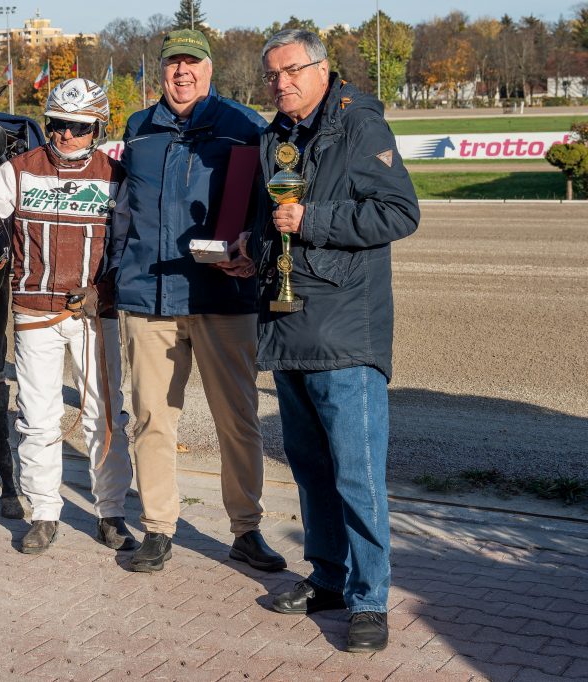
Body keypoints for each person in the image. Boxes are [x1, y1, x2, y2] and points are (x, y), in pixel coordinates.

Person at [251, 30, 419, 652]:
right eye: (272, 74)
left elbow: (400, 212)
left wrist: (311, 220)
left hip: (346, 332)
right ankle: (327, 579)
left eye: (292, 70)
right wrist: (249, 250)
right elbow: (272, 220)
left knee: (357, 476)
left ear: (323, 69)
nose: (282, 83)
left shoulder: (359, 126)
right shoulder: (276, 137)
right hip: (288, 325)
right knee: (311, 471)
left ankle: (369, 600)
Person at [109, 29, 286, 573]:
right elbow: (122, 213)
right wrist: (113, 276)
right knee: (151, 419)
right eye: (173, 63)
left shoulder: (245, 126)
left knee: (238, 420)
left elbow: (269, 207)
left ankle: (246, 529)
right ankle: (158, 528)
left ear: (209, 69)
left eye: (192, 62)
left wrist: (254, 253)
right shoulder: (138, 128)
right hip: (149, 298)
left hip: (223, 297)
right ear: (160, 70)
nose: (181, 72)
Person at [0, 78, 135, 555]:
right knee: (37, 418)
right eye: (56, 124)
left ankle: (111, 513)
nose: (64, 135)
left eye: (78, 127)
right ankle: (44, 513)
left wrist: (103, 290)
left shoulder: (115, 177)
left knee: (105, 416)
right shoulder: (19, 170)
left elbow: (128, 246)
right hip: (35, 312)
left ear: (97, 128)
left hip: (96, 314)